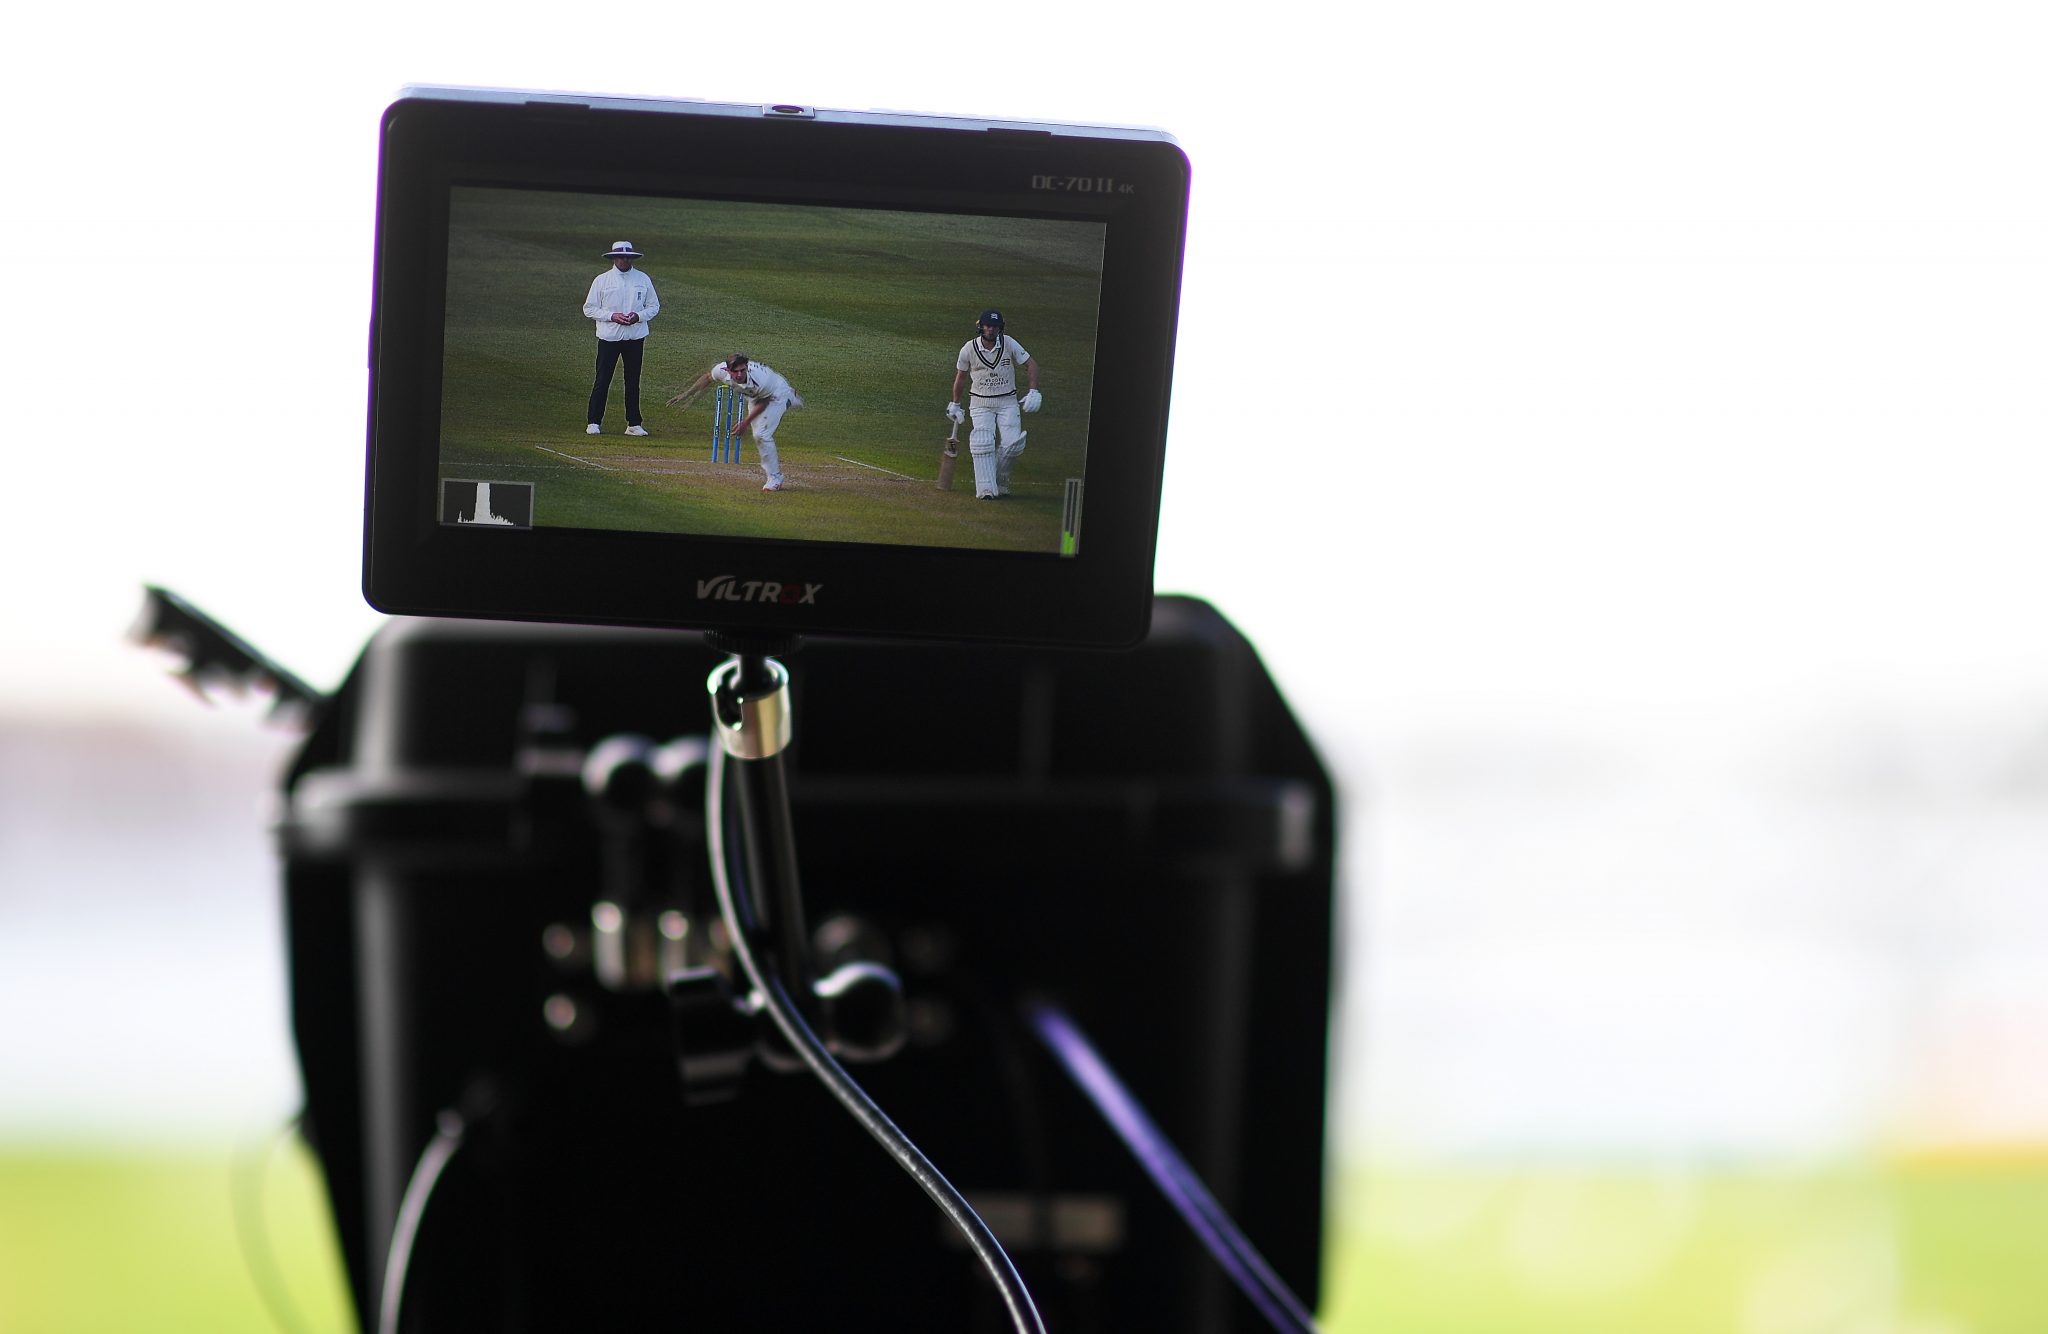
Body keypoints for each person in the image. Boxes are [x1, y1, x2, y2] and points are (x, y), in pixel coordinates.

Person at [671, 354, 805, 491]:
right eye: (736, 371)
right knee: (758, 434)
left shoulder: (762, 380)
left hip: (775, 394)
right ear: (727, 370)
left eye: (742, 370)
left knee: (761, 434)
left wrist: (745, 423)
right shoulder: (721, 370)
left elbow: (763, 403)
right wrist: (687, 394)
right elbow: (708, 378)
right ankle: (790, 395)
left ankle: (775, 478)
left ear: (747, 367)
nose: (740, 374)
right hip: (754, 395)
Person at [947, 309, 1041, 499]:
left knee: (1013, 445)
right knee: (983, 442)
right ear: (981, 326)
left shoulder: (1009, 343)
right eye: (988, 326)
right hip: (980, 403)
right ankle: (986, 490)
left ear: (1000, 328)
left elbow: (1031, 364)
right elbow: (961, 378)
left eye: (995, 326)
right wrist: (955, 404)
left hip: (1008, 402)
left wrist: (1033, 390)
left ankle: (999, 480)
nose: (991, 329)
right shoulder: (968, 349)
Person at [583, 241, 660, 436]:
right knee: (602, 379)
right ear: (614, 258)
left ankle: (634, 424)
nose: (624, 260)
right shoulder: (602, 280)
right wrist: (612, 316)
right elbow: (589, 308)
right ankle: (594, 421)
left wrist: (638, 316)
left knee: (632, 381)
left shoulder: (642, 279)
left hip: (635, 337)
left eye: (628, 257)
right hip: (609, 337)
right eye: (621, 257)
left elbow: (653, 306)